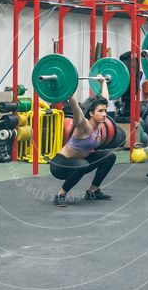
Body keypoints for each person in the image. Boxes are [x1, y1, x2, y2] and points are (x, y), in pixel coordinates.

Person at [49, 76, 117, 207]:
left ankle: (93, 191)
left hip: (81, 162)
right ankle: (60, 195)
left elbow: (105, 99)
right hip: (60, 165)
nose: (104, 114)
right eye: (100, 111)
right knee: (82, 164)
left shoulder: (100, 123)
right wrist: (69, 92)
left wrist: (103, 82)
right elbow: (76, 109)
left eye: (105, 111)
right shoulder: (84, 126)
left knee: (110, 156)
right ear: (91, 113)